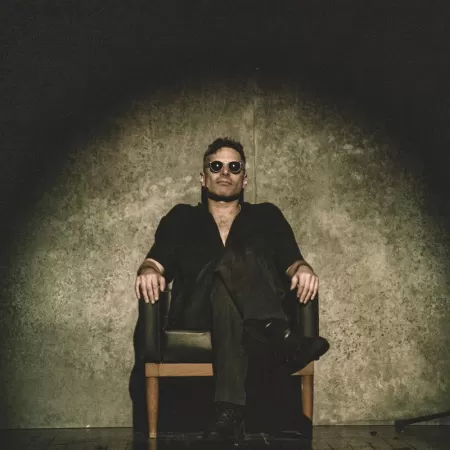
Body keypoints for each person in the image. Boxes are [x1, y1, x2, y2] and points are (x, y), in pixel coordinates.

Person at [135, 137, 329, 441]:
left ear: (245, 178)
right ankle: (279, 335)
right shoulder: (181, 218)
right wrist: (147, 270)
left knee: (232, 275)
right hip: (198, 312)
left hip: (248, 317)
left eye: (234, 167)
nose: (225, 172)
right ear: (203, 177)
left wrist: (303, 269)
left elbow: (292, 262)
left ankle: (228, 411)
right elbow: (154, 262)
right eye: (216, 166)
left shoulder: (266, 216)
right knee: (228, 263)